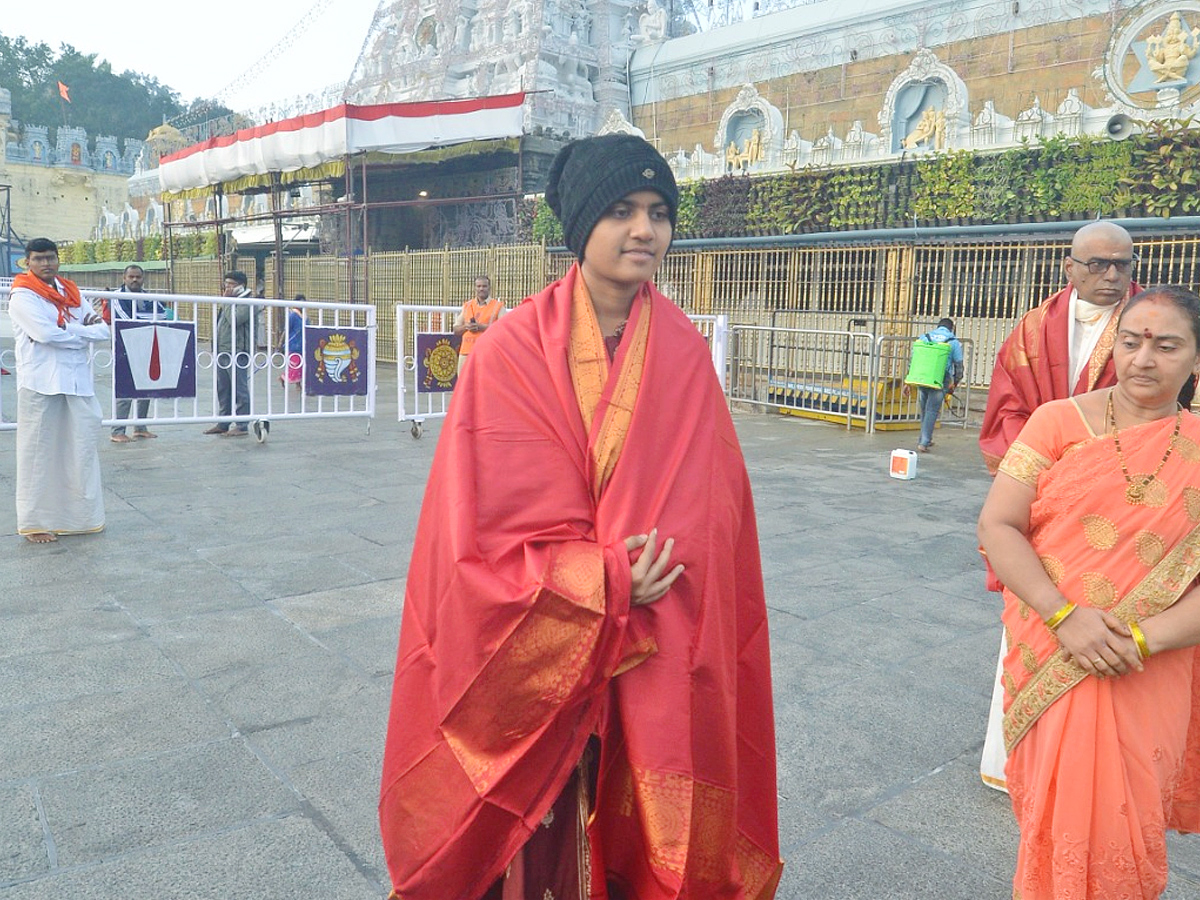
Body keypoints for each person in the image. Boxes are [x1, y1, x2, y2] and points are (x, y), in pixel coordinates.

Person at [379, 134, 782, 900]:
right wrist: (605, 580)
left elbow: (712, 511)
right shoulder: (507, 354)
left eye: (659, 212)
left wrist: (657, 573)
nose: (644, 230)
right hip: (543, 642)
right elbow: (479, 535)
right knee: (538, 836)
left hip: (662, 637)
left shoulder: (686, 352)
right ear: (581, 226)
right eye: (622, 210)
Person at [976, 284, 1200, 900]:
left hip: (1149, 663)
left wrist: (1136, 637)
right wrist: (1066, 616)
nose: (1143, 359)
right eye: (1130, 342)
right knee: (1062, 815)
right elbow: (998, 525)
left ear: (1196, 360)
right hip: (1056, 647)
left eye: (1166, 345)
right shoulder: (1056, 422)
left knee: (1129, 821)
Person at [978, 220, 1141, 790]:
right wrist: (1042, 469)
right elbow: (1006, 409)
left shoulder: (1149, 326)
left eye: (1123, 262)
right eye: (1098, 263)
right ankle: (1013, 761)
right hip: (1040, 496)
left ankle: (1084, 771)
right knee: (1031, 617)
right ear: (1068, 267)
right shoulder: (1030, 330)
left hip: (1122, 506)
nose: (1113, 274)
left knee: (1108, 626)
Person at [8, 237, 110, 543]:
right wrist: (82, 334)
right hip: (42, 383)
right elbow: (43, 334)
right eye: (38, 259)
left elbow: (102, 329)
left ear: (58, 260)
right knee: (38, 453)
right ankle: (35, 522)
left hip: (77, 381)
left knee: (81, 449)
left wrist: (71, 330)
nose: (46, 263)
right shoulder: (22, 296)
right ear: (27, 262)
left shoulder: (70, 292)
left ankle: (81, 519)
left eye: (50, 258)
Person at [109, 264, 169, 442]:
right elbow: (127, 320)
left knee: (146, 388)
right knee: (125, 391)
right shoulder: (116, 297)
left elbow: (163, 315)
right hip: (125, 348)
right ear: (124, 278)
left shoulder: (148, 297)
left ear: (143, 278)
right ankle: (117, 431)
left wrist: (143, 319)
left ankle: (140, 428)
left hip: (148, 348)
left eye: (138, 277)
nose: (135, 280)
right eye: (131, 277)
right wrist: (147, 318)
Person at [204, 271, 254, 437]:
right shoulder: (230, 301)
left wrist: (226, 302)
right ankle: (223, 422)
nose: (227, 287)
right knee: (223, 388)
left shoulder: (247, 301)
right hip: (223, 350)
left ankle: (242, 425)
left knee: (240, 389)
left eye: (230, 284)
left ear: (241, 285)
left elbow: (235, 320)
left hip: (237, 351)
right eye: (226, 284)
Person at [908, 317, 963, 453]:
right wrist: (954, 383)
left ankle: (924, 437)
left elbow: (913, 360)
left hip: (922, 377)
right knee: (932, 410)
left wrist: (908, 380)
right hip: (940, 378)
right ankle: (924, 442)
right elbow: (959, 366)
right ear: (952, 328)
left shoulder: (924, 337)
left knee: (925, 410)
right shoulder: (953, 342)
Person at [452, 275, 503, 372]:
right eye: (479, 286)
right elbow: (456, 329)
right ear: (475, 288)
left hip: (487, 354)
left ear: (489, 288)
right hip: (466, 353)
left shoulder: (498, 306)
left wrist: (481, 327)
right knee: (465, 385)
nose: (481, 289)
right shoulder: (467, 305)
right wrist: (466, 327)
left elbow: (503, 330)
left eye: (484, 286)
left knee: (485, 385)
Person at [282, 296, 304, 388]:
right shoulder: (293, 316)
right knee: (295, 365)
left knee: (302, 364)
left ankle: (298, 383)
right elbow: (286, 329)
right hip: (293, 344)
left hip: (303, 343)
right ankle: (284, 378)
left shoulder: (304, 316)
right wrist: (281, 342)